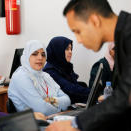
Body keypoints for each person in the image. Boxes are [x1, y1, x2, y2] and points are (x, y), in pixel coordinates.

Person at [46, 0, 131, 131]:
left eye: (78, 31)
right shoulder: (123, 37)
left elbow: (126, 96)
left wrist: (76, 124)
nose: (78, 40)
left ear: (95, 21)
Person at [8, 40, 71, 116]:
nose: (40, 58)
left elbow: (67, 100)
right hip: (34, 124)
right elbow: (42, 110)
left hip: (53, 119)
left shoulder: (45, 76)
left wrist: (50, 100)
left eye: (43, 54)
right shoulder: (21, 76)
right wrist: (60, 109)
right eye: (35, 54)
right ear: (27, 56)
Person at [43, 36, 90, 104]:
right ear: (58, 50)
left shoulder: (65, 66)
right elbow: (70, 89)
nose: (70, 52)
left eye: (71, 49)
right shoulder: (50, 71)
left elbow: (75, 86)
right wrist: (95, 94)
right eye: (67, 49)